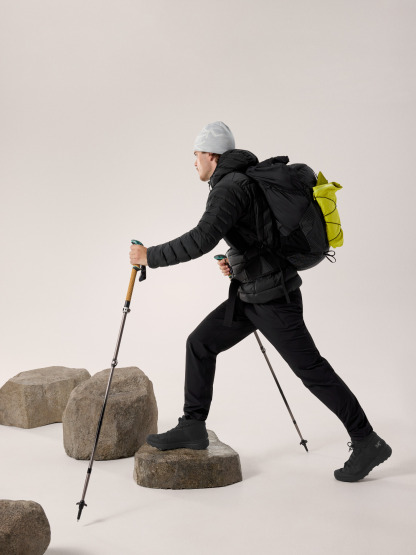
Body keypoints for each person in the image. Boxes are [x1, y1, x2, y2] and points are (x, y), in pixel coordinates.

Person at [129, 121, 392, 482]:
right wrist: (235, 261)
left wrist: (150, 256)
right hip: (252, 294)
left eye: (196, 154)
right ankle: (193, 426)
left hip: (273, 299)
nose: (194, 161)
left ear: (211, 155)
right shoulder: (239, 182)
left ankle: (367, 440)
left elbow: (202, 238)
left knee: (312, 370)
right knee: (200, 343)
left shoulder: (230, 186)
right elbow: (259, 236)